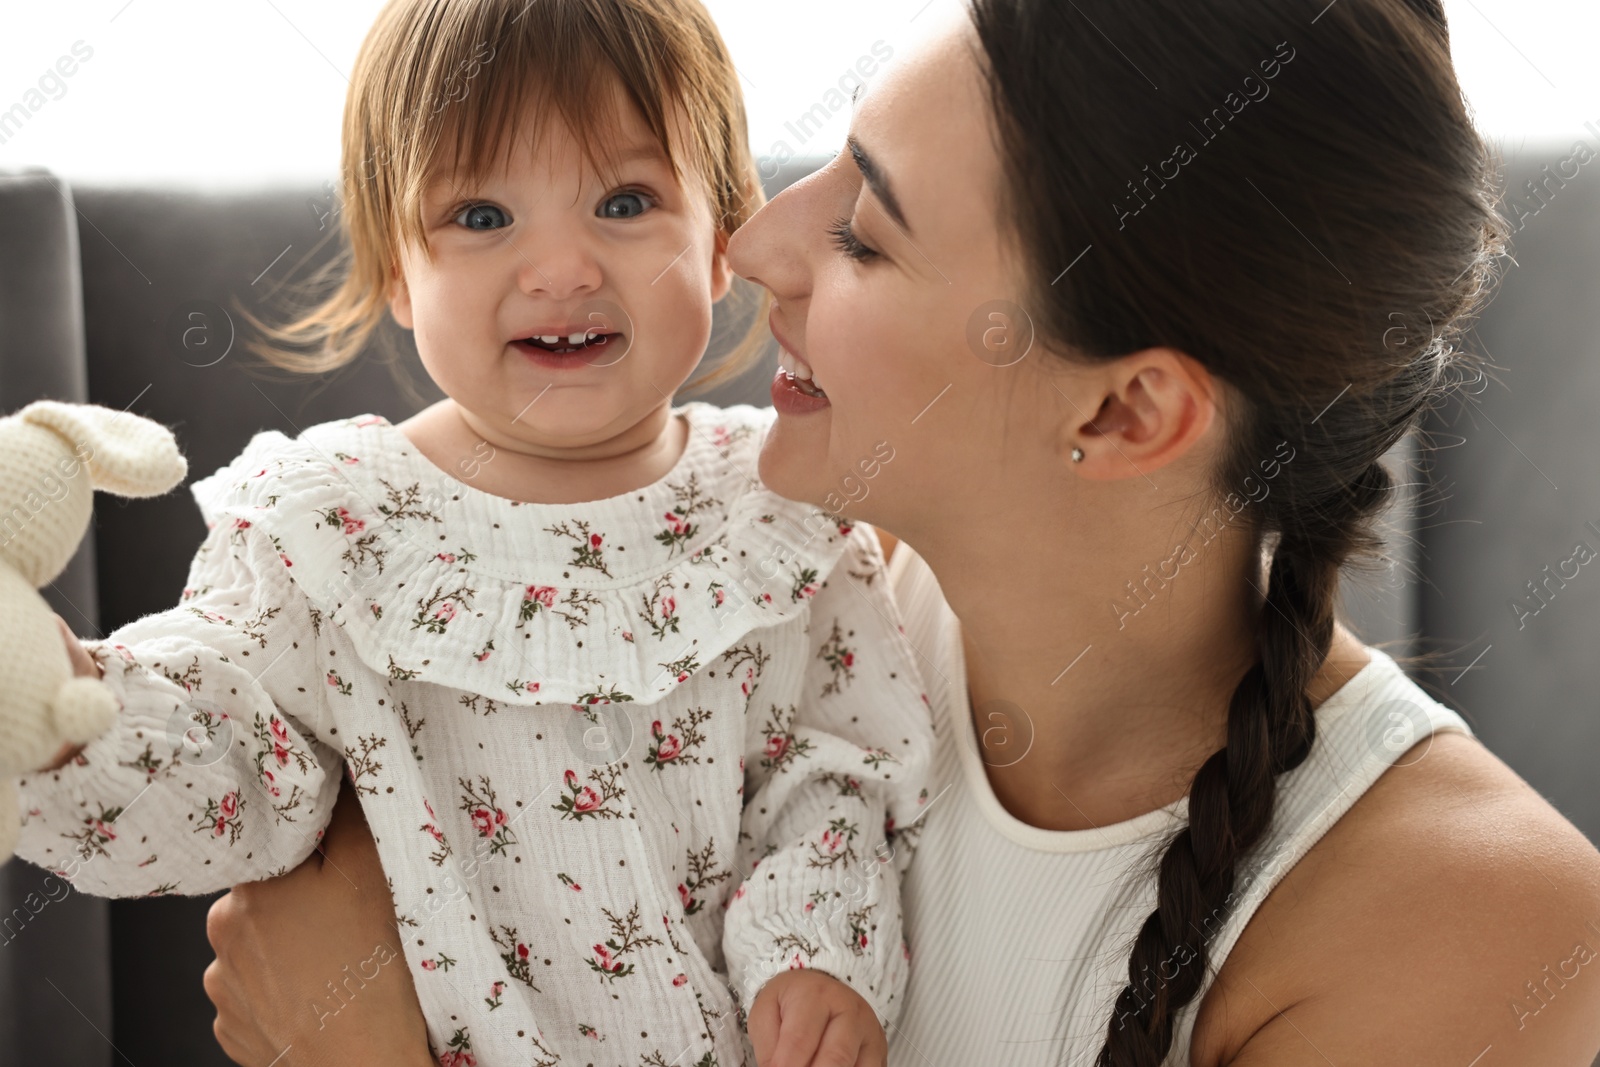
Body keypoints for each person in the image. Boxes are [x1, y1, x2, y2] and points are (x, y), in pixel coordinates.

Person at [201, 0, 1600, 1064]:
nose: (751, 251)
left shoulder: (1495, 934)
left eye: (864, 233)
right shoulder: (759, 622)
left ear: (1124, 412)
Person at [15, 2, 935, 1065]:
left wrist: (815, 953)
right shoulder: (330, 522)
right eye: (484, 217)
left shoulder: (782, 505)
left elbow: (835, 772)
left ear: (720, 241)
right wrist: (64, 705)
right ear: (397, 270)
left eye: (625, 201)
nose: (561, 269)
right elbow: (229, 757)